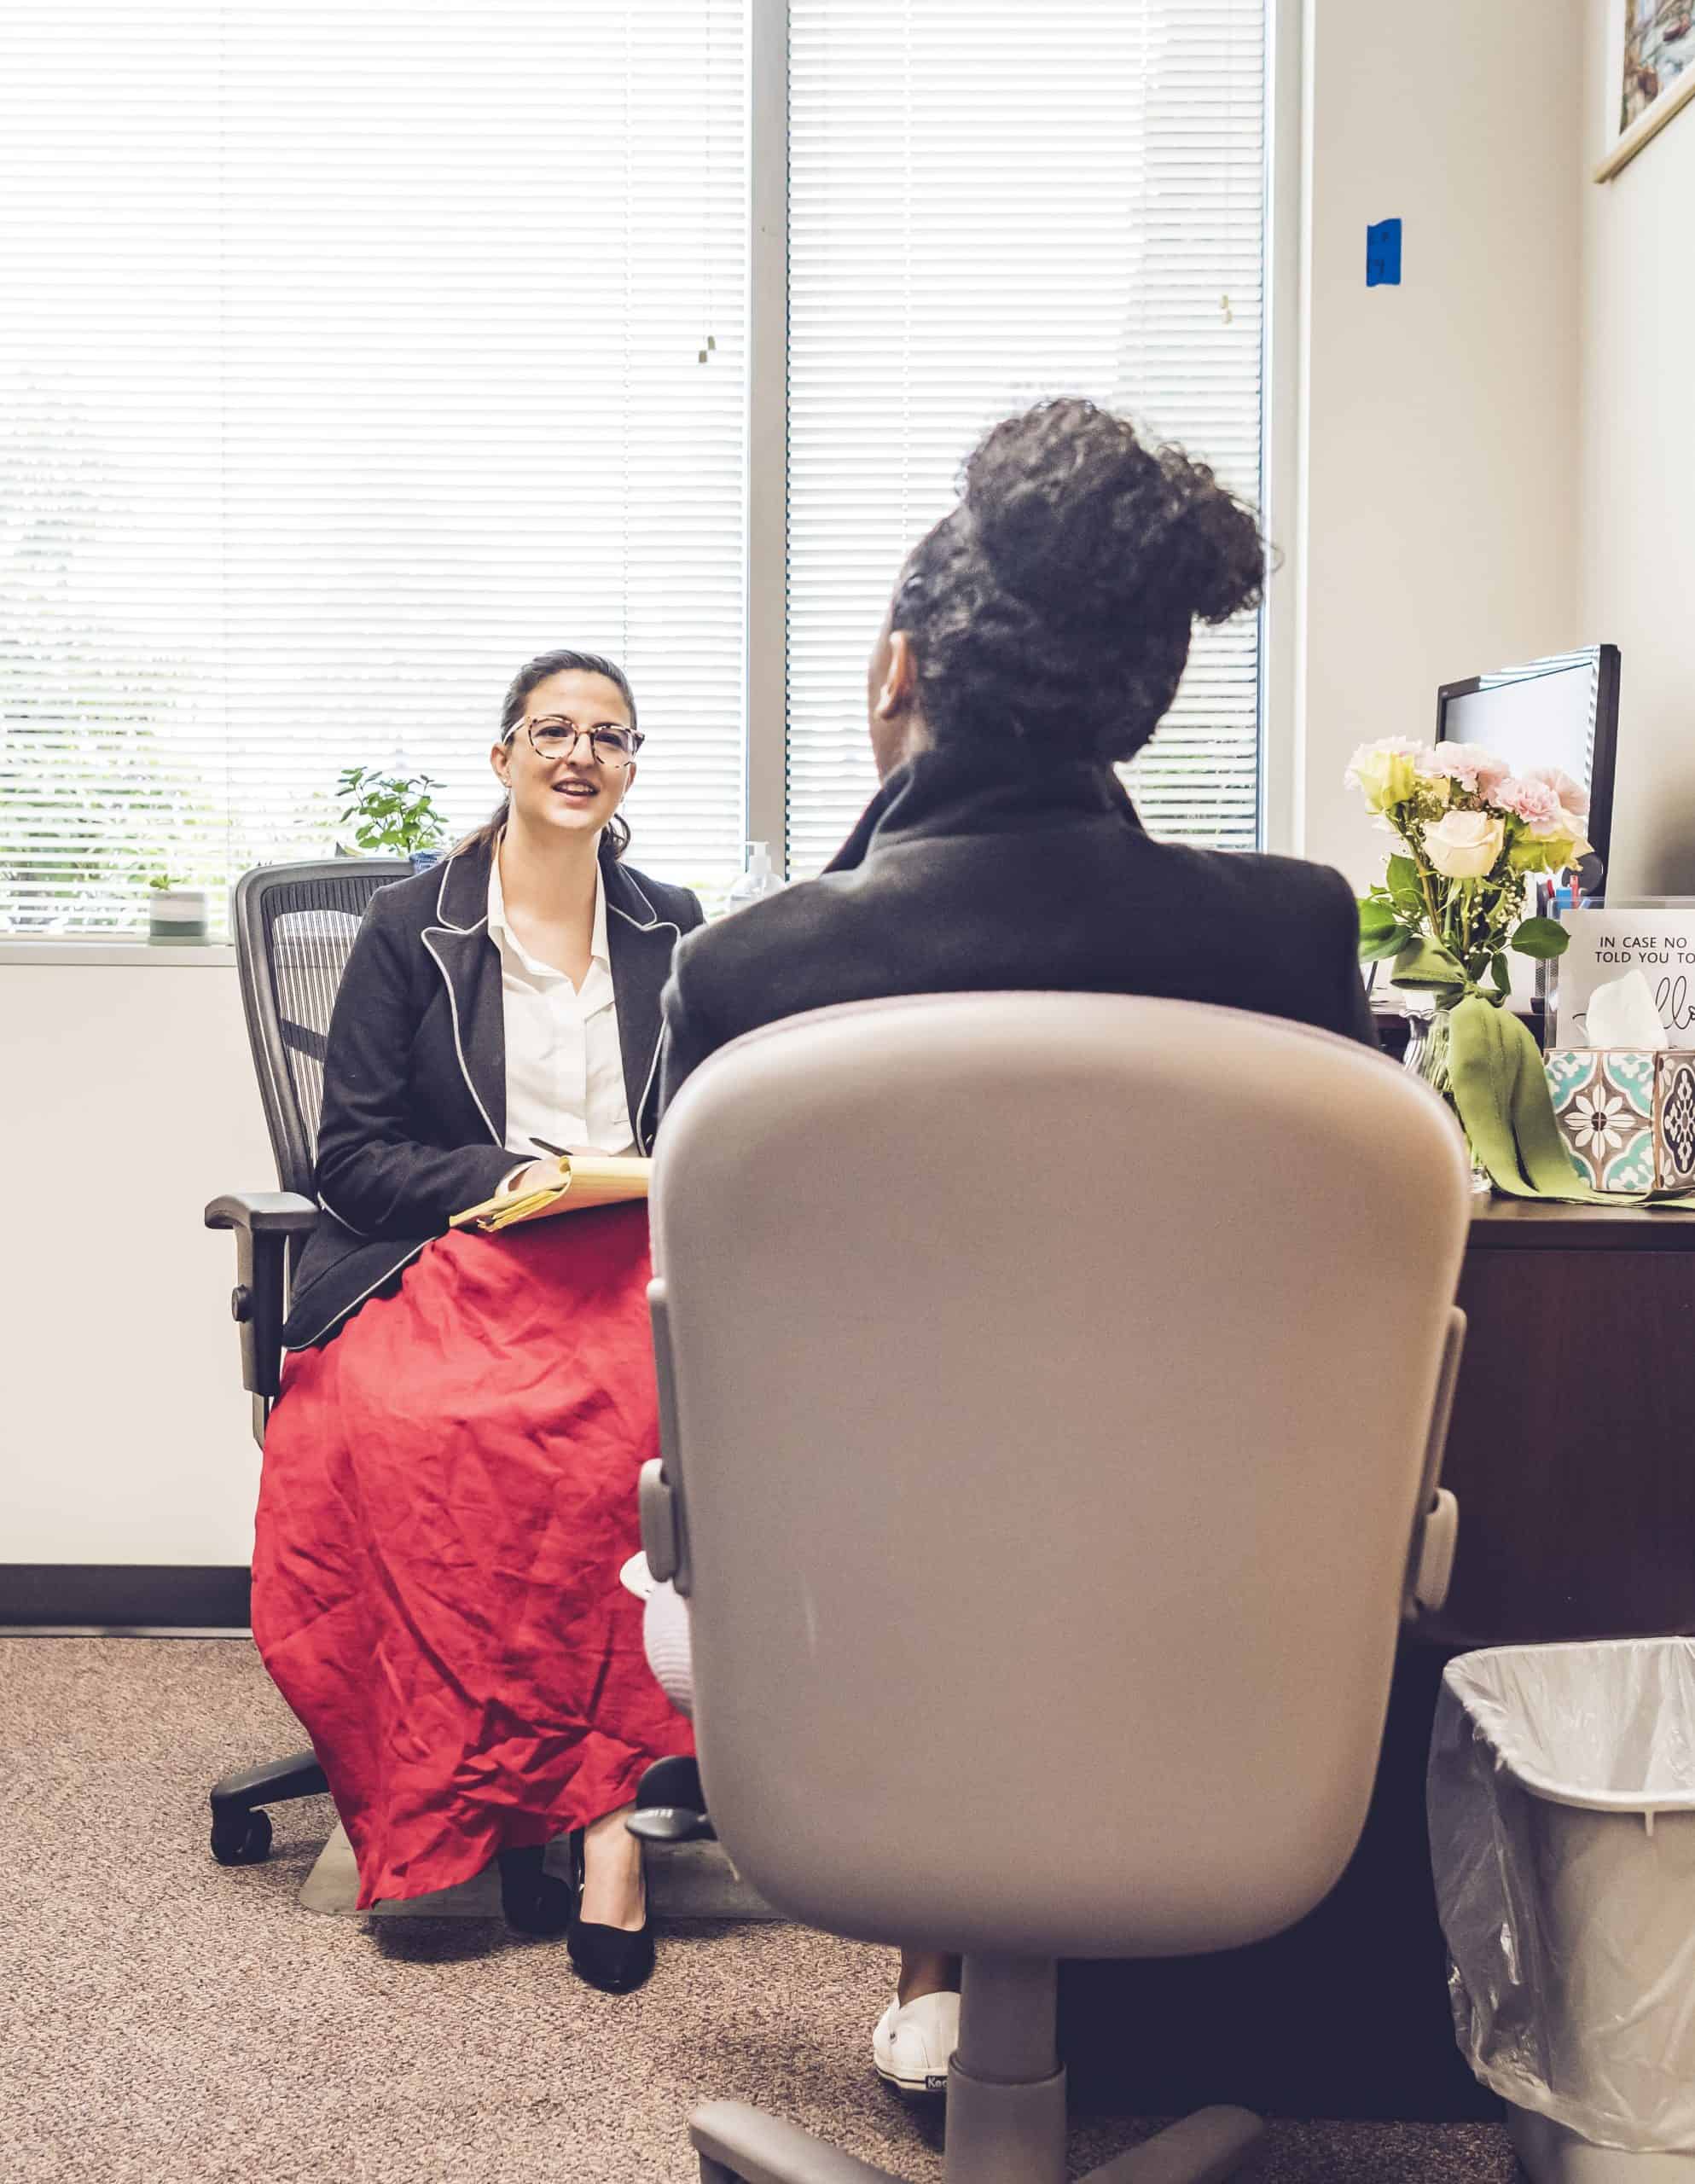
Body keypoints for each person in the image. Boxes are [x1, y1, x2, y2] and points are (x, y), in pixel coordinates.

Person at [650, 398, 1379, 2082]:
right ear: (1143, 692)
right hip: (1205, 1612)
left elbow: (694, 1338)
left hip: (834, 1634)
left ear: (899, 672)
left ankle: (945, 1966)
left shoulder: (751, 973)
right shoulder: (1287, 937)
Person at [253, 648, 700, 1994]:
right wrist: (511, 1178)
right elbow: (355, 1156)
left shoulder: (677, 925)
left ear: (629, 772)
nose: (581, 754)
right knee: (425, 1431)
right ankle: (459, 1799)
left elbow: (722, 1118)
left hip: (629, 1254)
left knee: (637, 1432)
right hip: (456, 1250)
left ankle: (610, 1828)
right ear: (502, 755)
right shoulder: (413, 923)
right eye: (552, 731)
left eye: (609, 737)